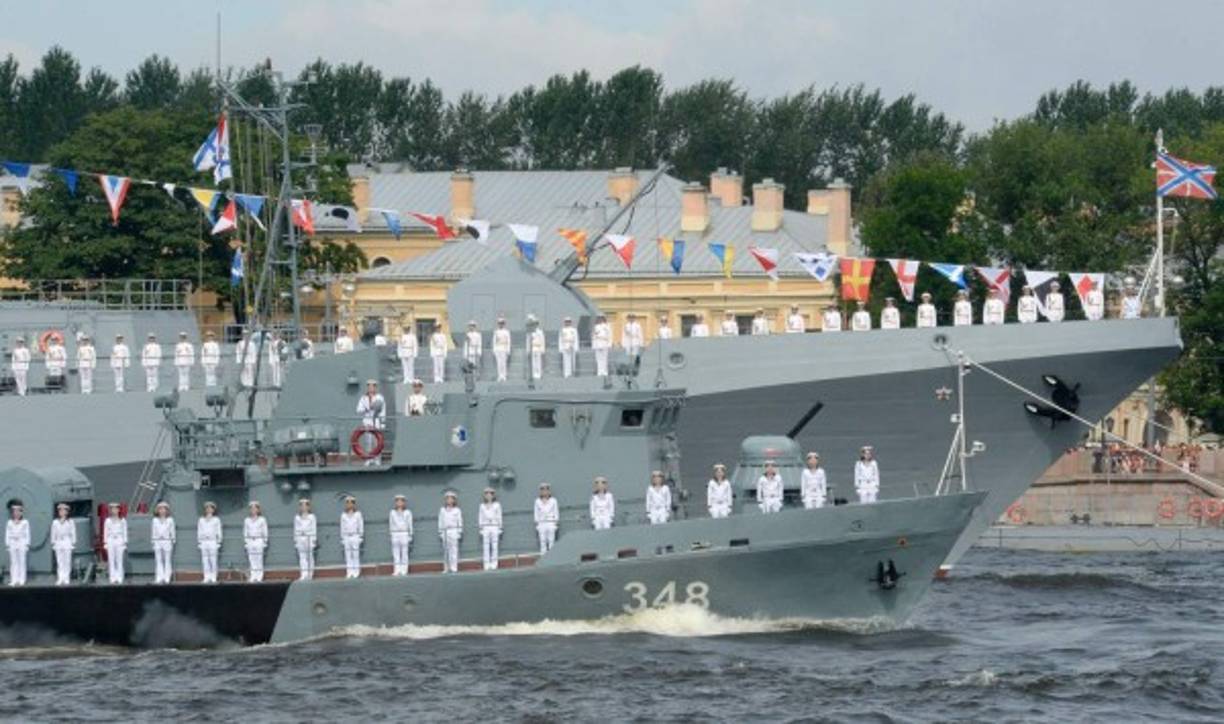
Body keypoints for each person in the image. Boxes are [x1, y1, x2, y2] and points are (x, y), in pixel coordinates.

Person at [150, 501, 176, 584]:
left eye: (164, 509)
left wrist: (173, 540)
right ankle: (159, 577)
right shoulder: (155, 520)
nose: (162, 511)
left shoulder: (170, 520)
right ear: (158, 510)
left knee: (167, 560)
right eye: (160, 509)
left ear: (167, 510)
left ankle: (167, 577)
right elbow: (153, 531)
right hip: (157, 541)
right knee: (158, 560)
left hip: (167, 541)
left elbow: (172, 531)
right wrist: (153, 541)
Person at [438, 491, 463, 573]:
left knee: (454, 550)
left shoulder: (457, 510)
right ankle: (446, 568)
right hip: (445, 531)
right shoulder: (442, 510)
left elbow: (460, 521)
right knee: (446, 551)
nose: (449, 500)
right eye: (447, 498)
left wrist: (459, 532)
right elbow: (440, 521)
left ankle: (454, 567)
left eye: (451, 498)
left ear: (454, 500)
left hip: (454, 530)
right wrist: (441, 532)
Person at [50, 502, 75, 585]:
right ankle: (60, 578)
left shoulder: (70, 522)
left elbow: (73, 533)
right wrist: (53, 542)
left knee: (67, 561)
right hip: (58, 542)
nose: (61, 512)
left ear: (67, 512)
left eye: (63, 510)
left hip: (67, 541)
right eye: (60, 510)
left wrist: (73, 542)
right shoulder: (55, 522)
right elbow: (53, 533)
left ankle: (66, 578)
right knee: (60, 561)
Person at [478, 488, 503, 571]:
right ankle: (486, 564)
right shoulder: (482, 506)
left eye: (490, 494)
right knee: (486, 546)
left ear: (493, 495)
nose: (488, 495)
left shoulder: (497, 505)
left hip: (494, 526)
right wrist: (481, 528)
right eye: (487, 494)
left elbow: (499, 516)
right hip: (485, 526)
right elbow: (480, 517)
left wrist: (500, 527)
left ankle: (494, 564)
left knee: (495, 546)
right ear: (485, 496)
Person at [244, 501, 269, 583]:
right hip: (250, 540)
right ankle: (253, 575)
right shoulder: (247, 520)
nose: (253, 510)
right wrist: (246, 541)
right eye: (251, 508)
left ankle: (259, 576)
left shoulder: (262, 519)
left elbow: (265, 531)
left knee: (259, 559)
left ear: (258, 510)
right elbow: (245, 531)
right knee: (252, 559)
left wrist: (265, 541)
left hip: (259, 540)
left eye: (255, 508)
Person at [198, 501, 222, 583]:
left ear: (213, 510)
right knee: (205, 560)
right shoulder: (201, 520)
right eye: (207, 508)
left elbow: (219, 531)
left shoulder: (216, 520)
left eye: (210, 508)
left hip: (212, 541)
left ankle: (213, 576)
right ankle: (206, 576)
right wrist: (200, 542)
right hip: (204, 541)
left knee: (213, 559)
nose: (208, 509)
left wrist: (219, 542)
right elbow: (199, 531)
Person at [389, 494, 414, 576]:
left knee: (404, 553)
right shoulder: (392, 512)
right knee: (395, 553)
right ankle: (397, 570)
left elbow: (410, 524)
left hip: (404, 533)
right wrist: (391, 534)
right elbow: (391, 524)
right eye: (397, 501)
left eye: (401, 501)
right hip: (395, 533)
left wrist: (410, 535)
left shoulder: (407, 512)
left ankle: (404, 570)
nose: (399, 503)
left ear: (404, 503)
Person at [340, 496, 364, 579]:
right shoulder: (343, 515)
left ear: (354, 504)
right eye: (347, 503)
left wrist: (360, 536)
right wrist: (342, 537)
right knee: (348, 555)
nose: (349, 505)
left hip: (355, 536)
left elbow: (360, 525)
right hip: (347, 536)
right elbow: (342, 527)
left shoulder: (358, 514)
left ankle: (356, 572)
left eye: (351, 503)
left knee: (355, 555)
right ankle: (349, 572)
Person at [5, 503, 29, 586]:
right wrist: (7, 544)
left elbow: (27, 534)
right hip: (13, 543)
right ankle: (14, 579)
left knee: (22, 561)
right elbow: (7, 534)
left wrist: (26, 544)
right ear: (13, 513)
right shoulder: (10, 522)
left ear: (21, 513)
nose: (16, 513)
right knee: (13, 562)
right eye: (15, 512)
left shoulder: (25, 522)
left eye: (18, 511)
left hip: (21, 542)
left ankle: (22, 579)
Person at [104, 502, 127, 584]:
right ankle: (112, 577)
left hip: (119, 540)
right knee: (111, 559)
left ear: (118, 510)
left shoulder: (122, 520)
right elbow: (106, 532)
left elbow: (124, 532)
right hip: (111, 540)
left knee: (119, 560)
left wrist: (124, 543)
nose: (114, 510)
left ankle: (120, 577)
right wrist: (105, 543)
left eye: (116, 509)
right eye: (112, 509)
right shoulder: (107, 521)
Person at [293, 499, 317, 580]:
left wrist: (314, 540)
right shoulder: (297, 517)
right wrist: (296, 540)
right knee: (302, 557)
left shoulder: (312, 517)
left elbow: (314, 528)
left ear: (308, 507)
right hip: (300, 538)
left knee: (310, 557)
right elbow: (296, 529)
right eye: (301, 505)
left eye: (305, 505)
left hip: (309, 537)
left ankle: (310, 574)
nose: (303, 507)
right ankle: (304, 574)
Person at [534, 482, 559, 554]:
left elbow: (556, 512)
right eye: (542, 489)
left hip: (551, 522)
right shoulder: (537, 501)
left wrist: (555, 523)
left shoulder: (553, 500)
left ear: (548, 491)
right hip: (542, 523)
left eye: (546, 489)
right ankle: (543, 558)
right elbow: (536, 514)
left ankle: (552, 557)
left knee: (551, 542)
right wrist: (538, 524)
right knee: (542, 542)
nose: (544, 491)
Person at [492, 317, 511, 382]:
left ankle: (504, 375)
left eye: (502, 323)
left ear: (504, 324)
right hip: (498, 348)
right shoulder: (496, 332)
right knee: (499, 363)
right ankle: (499, 375)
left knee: (503, 363)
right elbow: (494, 341)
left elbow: (508, 341)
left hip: (504, 348)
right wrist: (494, 350)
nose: (501, 324)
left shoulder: (507, 332)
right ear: (498, 324)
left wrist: (508, 350)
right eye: (500, 323)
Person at [528, 316, 546, 380]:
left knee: (538, 362)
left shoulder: (540, 332)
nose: (535, 325)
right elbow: (528, 341)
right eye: (534, 324)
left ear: (537, 324)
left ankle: (538, 374)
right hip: (532, 348)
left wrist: (542, 350)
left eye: (536, 324)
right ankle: (534, 374)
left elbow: (542, 341)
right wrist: (528, 350)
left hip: (538, 348)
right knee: (533, 362)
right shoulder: (530, 332)